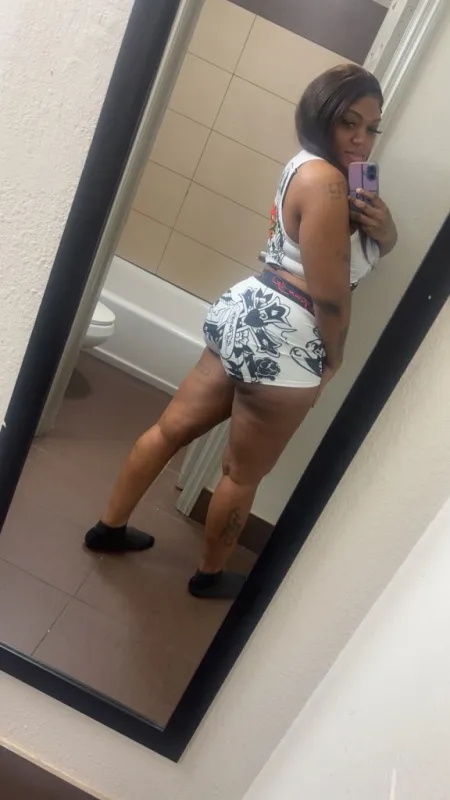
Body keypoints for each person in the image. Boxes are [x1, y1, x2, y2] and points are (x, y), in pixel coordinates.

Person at [84, 64, 397, 599]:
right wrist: (334, 356)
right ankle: (208, 576)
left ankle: (107, 528)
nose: (361, 140)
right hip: (289, 339)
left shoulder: (306, 167)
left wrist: (384, 230)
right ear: (321, 115)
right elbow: (329, 295)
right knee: (241, 475)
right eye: (349, 123)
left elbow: (342, 253)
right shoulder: (329, 183)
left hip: (246, 310)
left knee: (168, 430)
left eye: (371, 127)